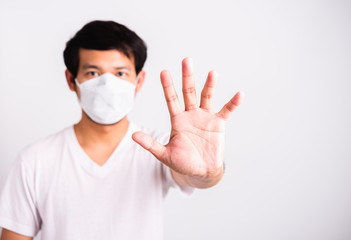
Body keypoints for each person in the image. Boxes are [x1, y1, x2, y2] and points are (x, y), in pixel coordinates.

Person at [0, 20, 243, 240]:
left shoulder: (159, 147)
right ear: (70, 80)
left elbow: (193, 175)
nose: (107, 83)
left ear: (139, 80)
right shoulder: (35, 161)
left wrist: (208, 171)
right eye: (93, 72)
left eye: (120, 73)